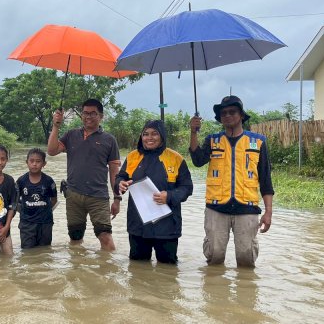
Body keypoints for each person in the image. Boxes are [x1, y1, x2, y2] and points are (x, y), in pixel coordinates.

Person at [189, 95, 274, 267]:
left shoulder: (258, 142)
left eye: (232, 112)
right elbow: (198, 160)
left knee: (246, 258)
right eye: (224, 113)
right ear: (220, 118)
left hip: (247, 207)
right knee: (214, 256)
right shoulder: (212, 141)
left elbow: (265, 180)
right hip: (216, 207)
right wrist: (193, 132)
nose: (228, 115)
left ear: (241, 115)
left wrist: (268, 212)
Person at [47, 98, 121, 251]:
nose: (88, 116)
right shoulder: (71, 135)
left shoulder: (109, 140)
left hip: (98, 197)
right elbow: (52, 151)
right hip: (73, 196)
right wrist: (56, 125)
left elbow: (114, 172)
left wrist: (117, 199)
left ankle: (107, 273)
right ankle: (78, 271)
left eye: (93, 113)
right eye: (85, 113)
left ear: (101, 116)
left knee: (105, 237)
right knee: (75, 238)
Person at [116, 120, 193, 264]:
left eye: (154, 134)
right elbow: (121, 177)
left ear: (162, 136)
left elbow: (187, 188)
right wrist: (120, 183)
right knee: (137, 269)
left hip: (167, 227)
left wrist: (169, 196)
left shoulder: (176, 158)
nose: (149, 138)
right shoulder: (133, 156)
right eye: (145, 134)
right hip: (138, 225)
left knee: (167, 272)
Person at [16, 148, 58, 249]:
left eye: (38, 161)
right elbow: (16, 201)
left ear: (44, 164)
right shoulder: (21, 181)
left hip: (45, 223)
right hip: (27, 224)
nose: (34, 164)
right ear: (27, 162)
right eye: (32, 161)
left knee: (44, 251)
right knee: (27, 252)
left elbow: (54, 200)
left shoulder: (49, 181)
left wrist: (43, 210)